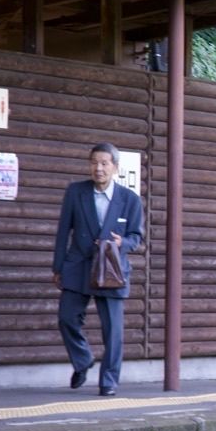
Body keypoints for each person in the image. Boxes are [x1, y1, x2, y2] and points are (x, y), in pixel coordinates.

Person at [52, 143, 145, 396]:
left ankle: (109, 381)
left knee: (113, 331)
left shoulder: (130, 199)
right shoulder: (75, 192)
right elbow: (63, 233)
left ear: (115, 167)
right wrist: (58, 267)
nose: (99, 168)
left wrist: (121, 243)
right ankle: (82, 360)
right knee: (66, 319)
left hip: (112, 268)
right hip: (78, 265)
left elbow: (137, 238)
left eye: (104, 163)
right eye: (94, 162)